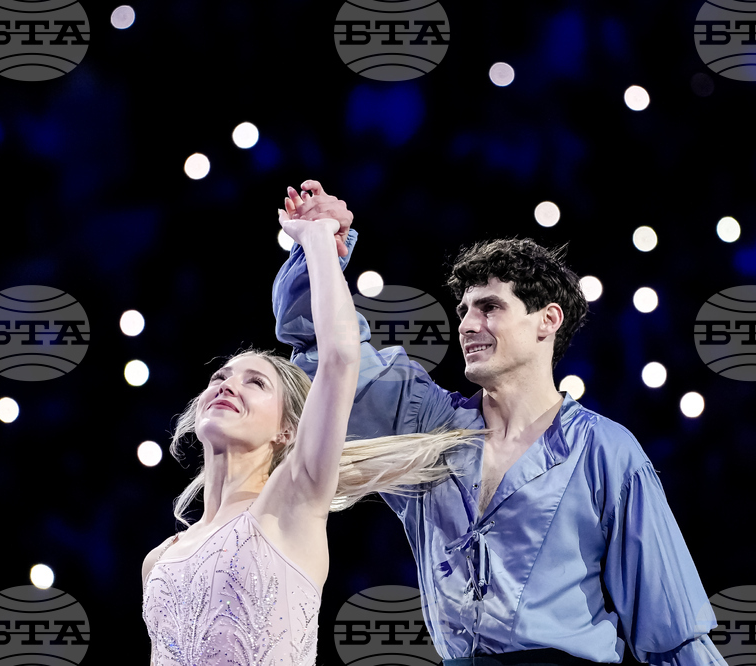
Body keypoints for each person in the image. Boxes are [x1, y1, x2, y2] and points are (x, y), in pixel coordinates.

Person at [272, 180, 728, 666]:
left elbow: (674, 633)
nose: (468, 324)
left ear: (547, 320)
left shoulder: (607, 451)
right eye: (464, 310)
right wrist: (320, 249)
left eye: (490, 307)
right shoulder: (428, 428)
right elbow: (327, 355)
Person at [141, 213, 485, 666]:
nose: (227, 385)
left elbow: (340, 357)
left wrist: (318, 239)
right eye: (221, 376)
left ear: (287, 430)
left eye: (254, 383)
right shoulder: (159, 559)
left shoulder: (291, 501)